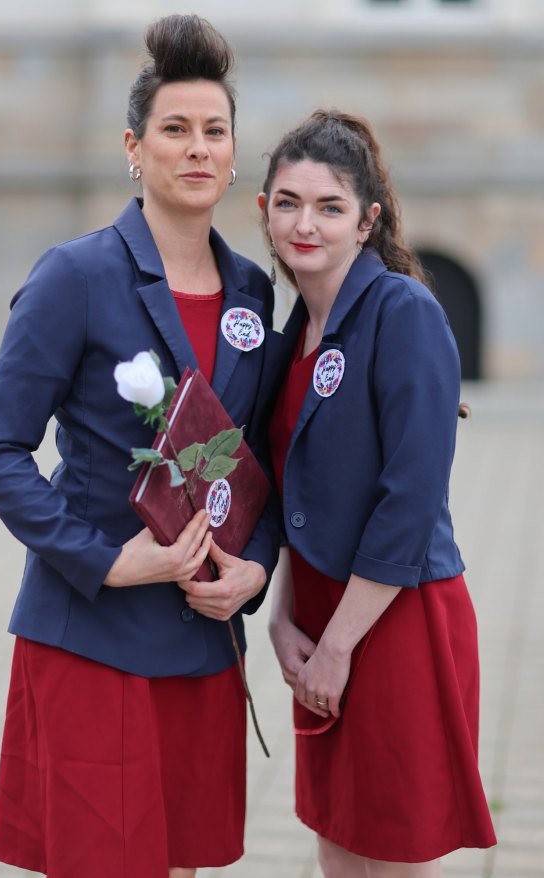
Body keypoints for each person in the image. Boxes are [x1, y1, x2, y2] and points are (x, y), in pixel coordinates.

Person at [0, 15, 280, 878]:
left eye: (214, 131)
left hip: (202, 637)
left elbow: (262, 456)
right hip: (93, 637)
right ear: (134, 148)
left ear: (232, 151)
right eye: (175, 130)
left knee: (178, 864)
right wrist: (105, 562)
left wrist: (255, 565)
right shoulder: (76, 274)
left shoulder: (254, 291)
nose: (197, 148)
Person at [258, 111, 496, 877]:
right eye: (288, 202)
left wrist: (337, 645)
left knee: (391, 853)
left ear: (367, 222)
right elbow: (300, 490)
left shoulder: (404, 312)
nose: (306, 223)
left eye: (329, 207)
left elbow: (410, 496)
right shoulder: (295, 329)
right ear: (263, 210)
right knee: (336, 840)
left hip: (394, 620)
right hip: (324, 614)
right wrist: (286, 614)